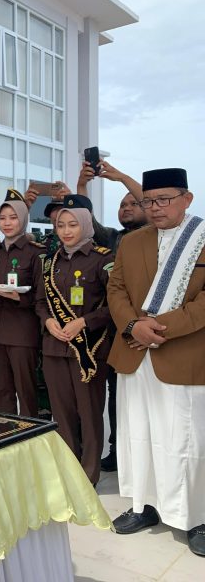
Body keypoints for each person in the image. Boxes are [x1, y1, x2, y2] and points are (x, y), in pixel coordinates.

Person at [107, 168, 205, 557]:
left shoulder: (202, 239)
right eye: (149, 201)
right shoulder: (131, 243)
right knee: (138, 434)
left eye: (165, 199)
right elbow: (115, 289)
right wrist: (133, 325)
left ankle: (196, 516)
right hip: (134, 354)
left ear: (187, 198)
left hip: (183, 354)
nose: (156, 207)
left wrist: (158, 327)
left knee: (186, 438)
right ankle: (143, 505)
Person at [35, 194, 113, 486]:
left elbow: (114, 305)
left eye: (72, 225)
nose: (66, 231)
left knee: (90, 415)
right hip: (55, 347)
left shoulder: (103, 259)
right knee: (62, 415)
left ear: (86, 225)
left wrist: (84, 321)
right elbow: (40, 302)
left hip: (88, 351)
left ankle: (88, 477)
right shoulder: (49, 262)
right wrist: (48, 320)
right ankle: (69, 475)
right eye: (60, 225)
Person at [77, 159, 146, 472]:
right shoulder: (114, 238)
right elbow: (85, 219)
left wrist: (120, 178)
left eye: (133, 204)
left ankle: (141, 455)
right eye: (122, 205)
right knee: (116, 392)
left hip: (146, 324)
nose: (127, 207)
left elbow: (148, 199)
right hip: (115, 327)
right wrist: (81, 187)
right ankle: (118, 452)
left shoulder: (152, 233)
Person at [0, 189, 45, 417]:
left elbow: (42, 296)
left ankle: (29, 440)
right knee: (0, 391)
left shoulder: (36, 253)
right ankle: (4, 437)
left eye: (13, 218)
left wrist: (19, 297)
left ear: (24, 219)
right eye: (3, 218)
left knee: (26, 391)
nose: (7, 223)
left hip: (21, 333)